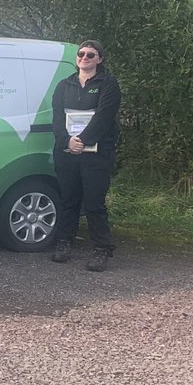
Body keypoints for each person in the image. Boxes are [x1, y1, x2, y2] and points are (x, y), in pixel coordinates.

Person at [50, 39, 122, 271]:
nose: (84, 58)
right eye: (81, 54)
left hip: (96, 154)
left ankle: (101, 249)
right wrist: (67, 141)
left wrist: (83, 140)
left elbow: (103, 117)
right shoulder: (64, 85)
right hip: (68, 151)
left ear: (99, 59)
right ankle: (63, 243)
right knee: (68, 199)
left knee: (94, 203)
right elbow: (57, 117)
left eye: (90, 55)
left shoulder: (108, 85)